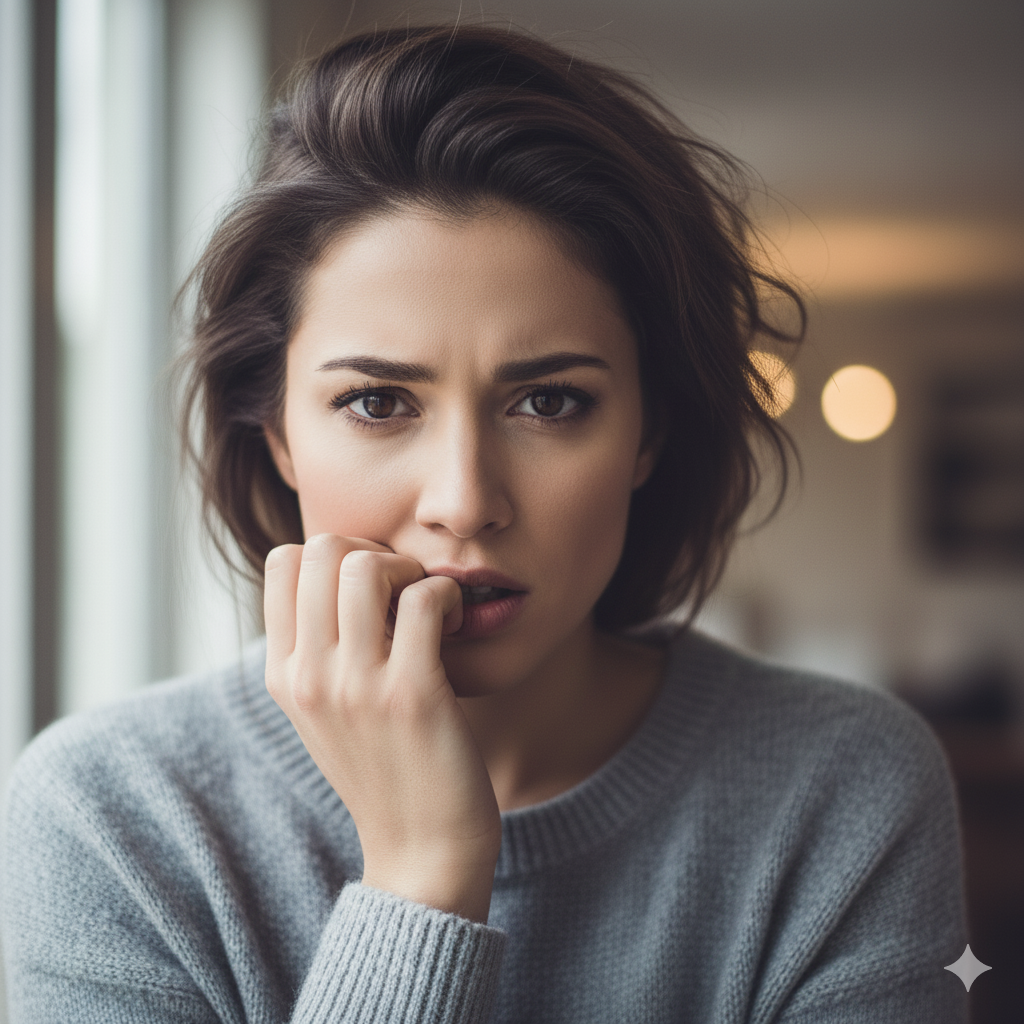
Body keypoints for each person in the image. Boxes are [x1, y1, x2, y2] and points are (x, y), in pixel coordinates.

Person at [1, 23, 968, 1024]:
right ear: (279, 435)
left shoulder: (844, 789)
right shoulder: (111, 815)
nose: (463, 500)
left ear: (649, 432)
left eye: (549, 402)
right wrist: (420, 876)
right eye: (378, 402)